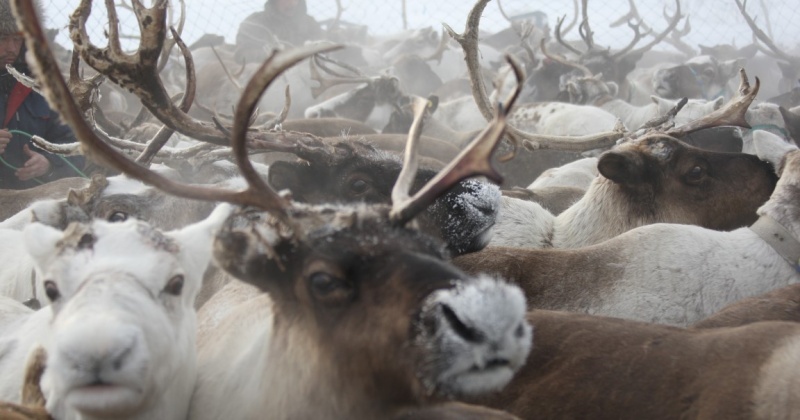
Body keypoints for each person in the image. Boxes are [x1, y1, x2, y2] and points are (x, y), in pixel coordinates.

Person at [0, 0, 85, 190]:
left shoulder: (42, 88)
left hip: (29, 203)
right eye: (3, 38)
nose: (11, 48)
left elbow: (76, 147)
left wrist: (50, 164)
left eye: (17, 39)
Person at [234, 0, 324, 62]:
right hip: (268, 80)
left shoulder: (310, 23)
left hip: (306, 78)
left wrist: (313, 48)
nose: (291, 3)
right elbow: (240, 56)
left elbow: (325, 50)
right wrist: (265, 54)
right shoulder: (255, 23)